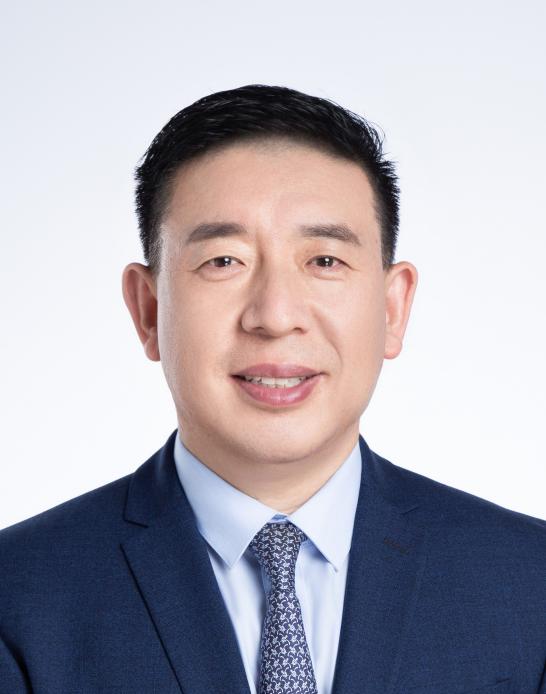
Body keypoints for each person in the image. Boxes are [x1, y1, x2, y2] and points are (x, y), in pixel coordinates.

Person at [0, 84, 544, 694]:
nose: (276, 315)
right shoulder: (17, 598)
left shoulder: (531, 586)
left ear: (393, 308)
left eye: (325, 261)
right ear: (148, 309)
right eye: (224, 261)